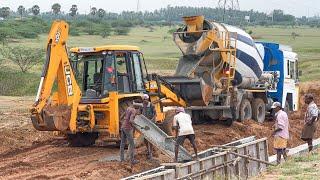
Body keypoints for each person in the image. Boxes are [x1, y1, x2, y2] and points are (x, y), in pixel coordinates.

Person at [133, 94, 156, 159]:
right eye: (143, 100)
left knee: (150, 138)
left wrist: (151, 122)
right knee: (145, 138)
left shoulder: (151, 105)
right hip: (144, 124)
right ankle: (148, 150)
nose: (144, 101)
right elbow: (140, 113)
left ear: (148, 99)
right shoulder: (142, 106)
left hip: (150, 124)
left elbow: (154, 114)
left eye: (145, 100)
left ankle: (151, 152)